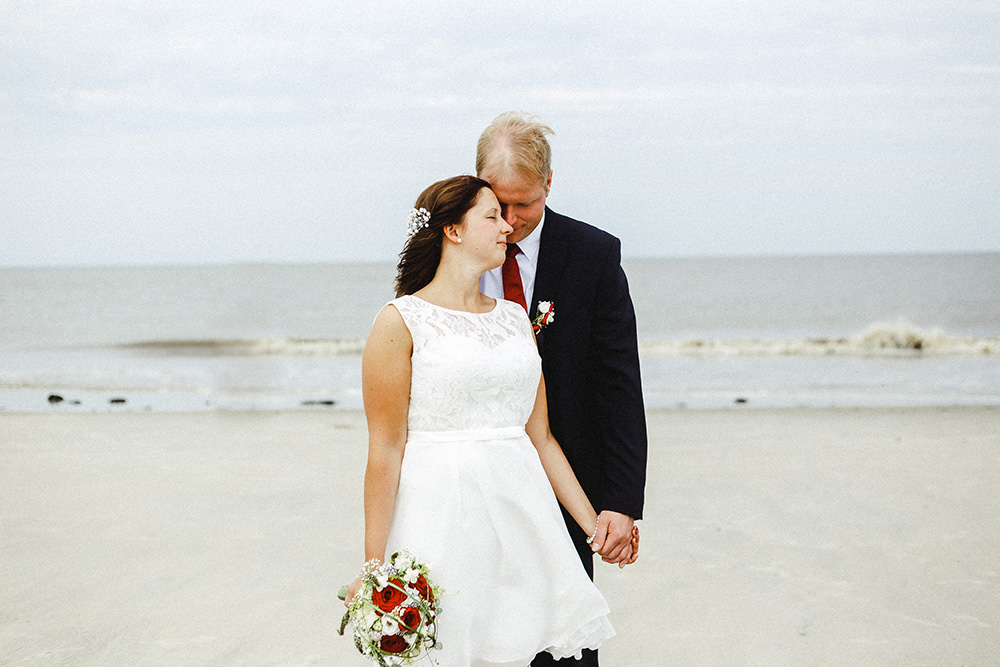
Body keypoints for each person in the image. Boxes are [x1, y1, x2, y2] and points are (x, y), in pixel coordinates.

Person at [345, 175, 624, 666]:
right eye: (492, 216)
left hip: (522, 516)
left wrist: (592, 525)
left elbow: (540, 438)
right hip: (440, 517)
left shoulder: (515, 319)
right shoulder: (400, 321)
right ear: (453, 231)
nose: (507, 228)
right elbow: (385, 450)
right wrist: (373, 570)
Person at [476, 112, 648, 667]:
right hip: (473, 487)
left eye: (523, 204)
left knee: (564, 649)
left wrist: (619, 504)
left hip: (565, 484)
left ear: (549, 183)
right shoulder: (445, 247)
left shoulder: (593, 255)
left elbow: (619, 384)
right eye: (497, 203)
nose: (509, 220)